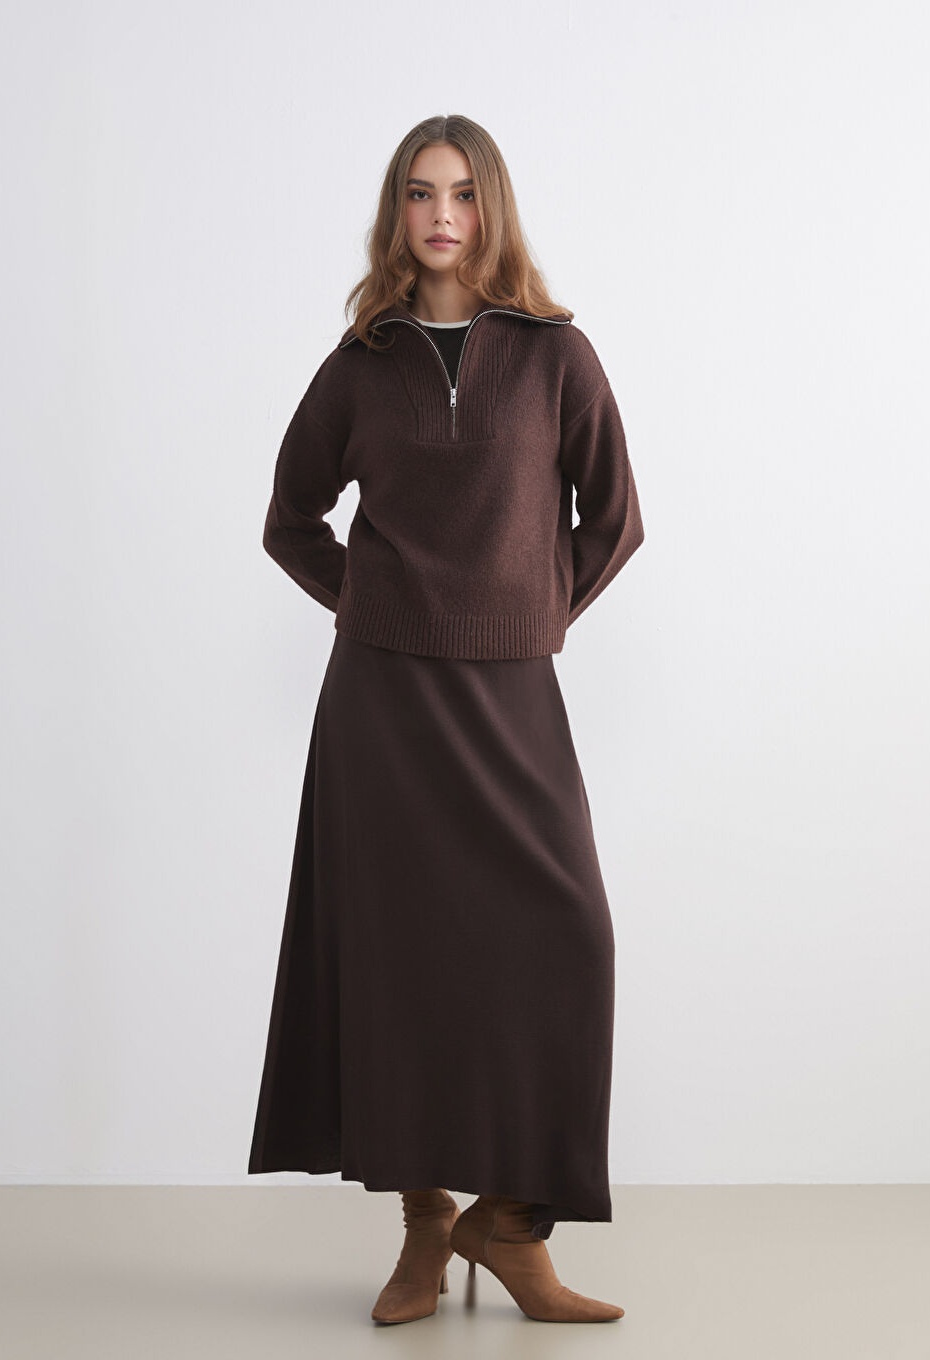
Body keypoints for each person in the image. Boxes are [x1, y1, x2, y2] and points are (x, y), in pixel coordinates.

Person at [247, 113, 644, 1326]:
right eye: (420, 193)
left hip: (511, 691)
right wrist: (372, 603)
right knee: (400, 964)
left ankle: (509, 1227)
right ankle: (423, 1224)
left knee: (569, 935)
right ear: (396, 212)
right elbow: (290, 520)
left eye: (462, 193)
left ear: (492, 208)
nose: (441, 215)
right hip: (382, 706)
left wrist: (529, 612)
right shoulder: (361, 362)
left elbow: (615, 517)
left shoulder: (555, 355)